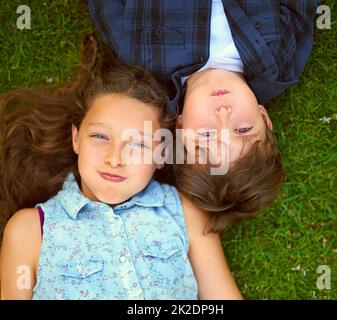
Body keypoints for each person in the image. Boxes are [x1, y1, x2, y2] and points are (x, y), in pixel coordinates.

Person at [0, 36, 242, 299]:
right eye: (100, 137)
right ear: (75, 138)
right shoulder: (28, 231)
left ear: (162, 153)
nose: (115, 158)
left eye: (138, 144)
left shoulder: (184, 213)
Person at [87, 0, 319, 230]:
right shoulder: (278, 64)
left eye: (206, 134)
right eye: (243, 130)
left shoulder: (138, 56)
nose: (224, 114)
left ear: (179, 127)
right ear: (265, 118)